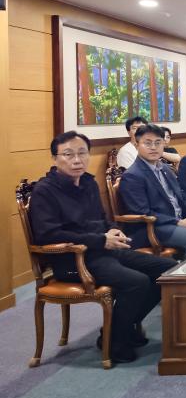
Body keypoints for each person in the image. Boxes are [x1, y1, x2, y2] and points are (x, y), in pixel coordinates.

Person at [29, 131, 176, 364]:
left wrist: (113, 230)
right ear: (55, 158)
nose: (77, 160)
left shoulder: (88, 182)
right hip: (72, 259)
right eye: (68, 154)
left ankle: (117, 329)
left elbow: (102, 218)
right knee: (137, 282)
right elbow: (49, 234)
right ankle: (116, 342)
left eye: (82, 153)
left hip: (103, 250)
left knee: (167, 270)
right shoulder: (45, 191)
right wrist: (100, 239)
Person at [118, 124, 186, 257]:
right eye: (147, 143)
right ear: (137, 145)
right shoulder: (132, 176)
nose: (153, 147)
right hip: (153, 227)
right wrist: (179, 223)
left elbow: (182, 195)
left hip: (180, 220)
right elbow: (142, 212)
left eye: (158, 143)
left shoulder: (165, 169)